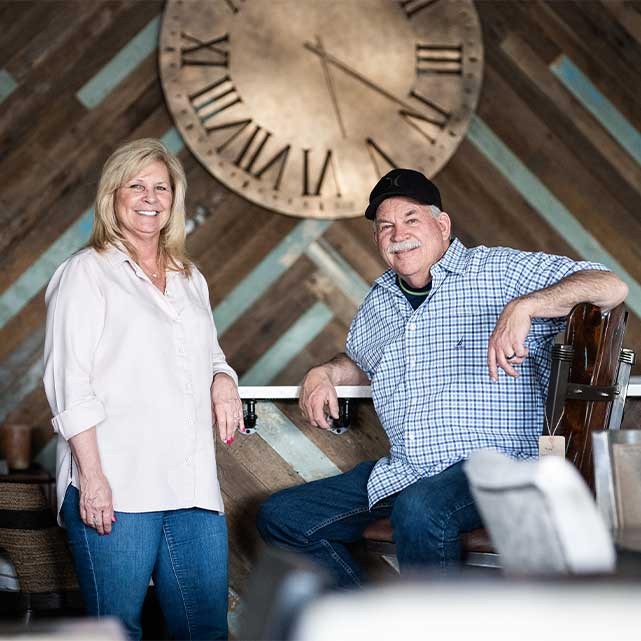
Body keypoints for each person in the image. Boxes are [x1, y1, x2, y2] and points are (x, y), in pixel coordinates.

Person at [256, 168, 628, 587]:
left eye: (411, 218)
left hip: (498, 465)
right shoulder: (379, 301)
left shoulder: (498, 271)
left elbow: (610, 285)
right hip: (408, 469)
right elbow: (361, 360)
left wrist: (526, 306)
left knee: (420, 510)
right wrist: (324, 371)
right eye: (385, 226)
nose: (398, 234)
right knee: (284, 518)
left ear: (442, 224)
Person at [43, 139, 243, 639]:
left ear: (174, 198)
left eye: (161, 186)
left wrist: (222, 380)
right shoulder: (86, 273)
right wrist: (92, 477)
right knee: (118, 630)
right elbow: (69, 384)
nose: (150, 197)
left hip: (193, 486)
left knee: (205, 631)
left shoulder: (189, 277)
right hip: (118, 483)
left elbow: (210, 355)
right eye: (136, 185)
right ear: (113, 196)